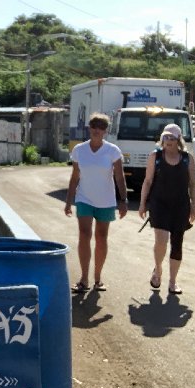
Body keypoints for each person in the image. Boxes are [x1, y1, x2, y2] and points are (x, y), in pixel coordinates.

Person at [64, 113, 128, 293]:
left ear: (105, 131)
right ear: (89, 128)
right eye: (94, 126)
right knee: (84, 235)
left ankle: (98, 278)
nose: (97, 130)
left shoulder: (112, 151)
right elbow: (75, 177)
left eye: (101, 127)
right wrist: (69, 201)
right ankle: (84, 279)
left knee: (101, 237)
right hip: (84, 198)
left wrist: (123, 200)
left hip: (106, 200)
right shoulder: (79, 150)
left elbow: (119, 177)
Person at [138, 122, 195, 295]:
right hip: (159, 205)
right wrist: (142, 203)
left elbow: (193, 184)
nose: (168, 140)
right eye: (166, 137)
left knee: (177, 244)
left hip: (180, 206)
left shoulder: (187, 158)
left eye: (172, 137)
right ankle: (158, 269)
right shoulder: (155, 156)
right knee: (161, 240)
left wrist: (194, 206)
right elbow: (147, 181)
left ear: (179, 140)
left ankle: (172, 282)